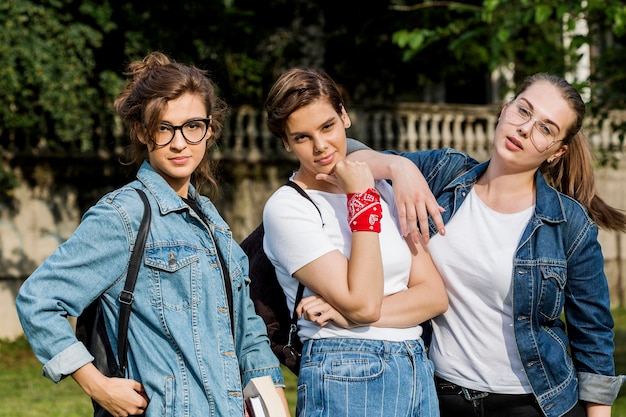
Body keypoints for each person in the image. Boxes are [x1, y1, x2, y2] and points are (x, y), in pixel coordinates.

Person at [16, 51, 290, 417]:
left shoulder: (213, 224)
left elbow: (247, 332)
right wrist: (98, 385)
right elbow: (39, 299)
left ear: (209, 128)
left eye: (193, 126)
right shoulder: (123, 216)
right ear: (143, 132)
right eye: (165, 128)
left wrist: (273, 403)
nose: (180, 143)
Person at [346, 73, 626, 417]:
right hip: (439, 395)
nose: (525, 128)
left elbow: (593, 337)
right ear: (505, 108)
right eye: (523, 111)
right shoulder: (442, 174)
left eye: (546, 129)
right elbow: (340, 156)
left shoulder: (569, 224)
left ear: (557, 152)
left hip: (535, 404)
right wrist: (397, 166)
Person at [262, 68, 448, 417]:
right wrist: (360, 198)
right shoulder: (287, 208)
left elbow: (433, 296)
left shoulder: (386, 191)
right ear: (286, 142)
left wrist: (350, 316)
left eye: (327, 126)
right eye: (302, 137)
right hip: (344, 368)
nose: (320, 146)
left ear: (344, 116)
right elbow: (363, 303)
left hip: (414, 365)